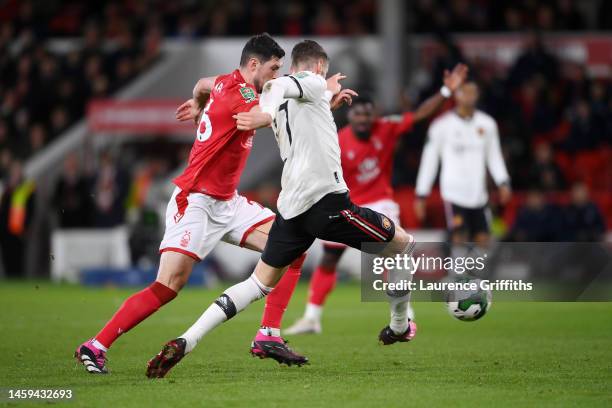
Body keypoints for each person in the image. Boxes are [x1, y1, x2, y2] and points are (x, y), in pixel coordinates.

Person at [147, 40, 418, 378]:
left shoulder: (298, 97)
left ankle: (188, 340)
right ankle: (399, 324)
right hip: (327, 203)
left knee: (257, 284)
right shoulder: (299, 84)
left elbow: (287, 107)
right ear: (318, 66)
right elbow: (283, 85)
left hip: (292, 210)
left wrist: (316, 101)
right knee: (403, 245)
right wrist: (269, 110)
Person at [74, 34, 308, 374]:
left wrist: (198, 104)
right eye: (273, 68)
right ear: (254, 65)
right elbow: (263, 116)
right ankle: (95, 345)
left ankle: (268, 332)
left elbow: (201, 84)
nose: (276, 75)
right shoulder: (240, 94)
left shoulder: (222, 83)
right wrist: (316, 102)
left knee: (293, 244)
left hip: (228, 203)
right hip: (195, 201)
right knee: (169, 286)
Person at [284, 64, 468, 336]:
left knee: (395, 254)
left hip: (381, 202)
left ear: (374, 116)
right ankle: (312, 317)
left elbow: (418, 115)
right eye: (358, 114)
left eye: (368, 115)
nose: (363, 119)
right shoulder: (338, 140)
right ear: (351, 115)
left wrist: (446, 91)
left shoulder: (387, 128)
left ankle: (405, 317)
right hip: (347, 204)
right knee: (329, 258)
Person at [414, 81, 511, 246]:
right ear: (456, 94)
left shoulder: (487, 124)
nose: (469, 96)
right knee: (459, 237)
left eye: (472, 92)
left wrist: (503, 181)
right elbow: (429, 161)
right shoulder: (441, 126)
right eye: (464, 92)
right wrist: (421, 193)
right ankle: (456, 271)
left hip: (479, 193)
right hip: (454, 193)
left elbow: (494, 156)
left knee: (483, 239)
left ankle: (476, 272)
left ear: (478, 94)